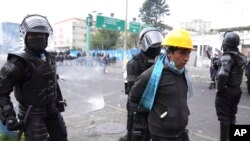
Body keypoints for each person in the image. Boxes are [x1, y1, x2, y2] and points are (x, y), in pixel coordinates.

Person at [0, 14, 68, 141]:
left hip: (52, 109)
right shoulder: (17, 62)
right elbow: (1, 92)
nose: (39, 37)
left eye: (43, 35)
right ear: (25, 36)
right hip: (32, 114)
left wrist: (58, 101)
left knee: (61, 136)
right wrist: (8, 116)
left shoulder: (49, 58)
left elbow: (52, 81)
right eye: (34, 34)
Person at [129, 28, 194, 141]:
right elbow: (133, 98)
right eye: (183, 53)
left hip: (181, 132)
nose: (187, 58)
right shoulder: (152, 74)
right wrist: (140, 125)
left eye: (188, 53)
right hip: (161, 135)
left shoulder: (184, 73)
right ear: (169, 53)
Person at [120, 27, 163, 141]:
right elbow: (132, 91)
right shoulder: (133, 64)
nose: (156, 46)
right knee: (137, 135)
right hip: (139, 110)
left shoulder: (161, 62)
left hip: (156, 109)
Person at [216, 31, 247, 141]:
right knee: (232, 116)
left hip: (227, 90)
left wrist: (219, 89)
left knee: (224, 118)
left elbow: (223, 74)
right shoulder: (241, 57)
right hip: (237, 89)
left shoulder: (227, 56)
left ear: (226, 43)